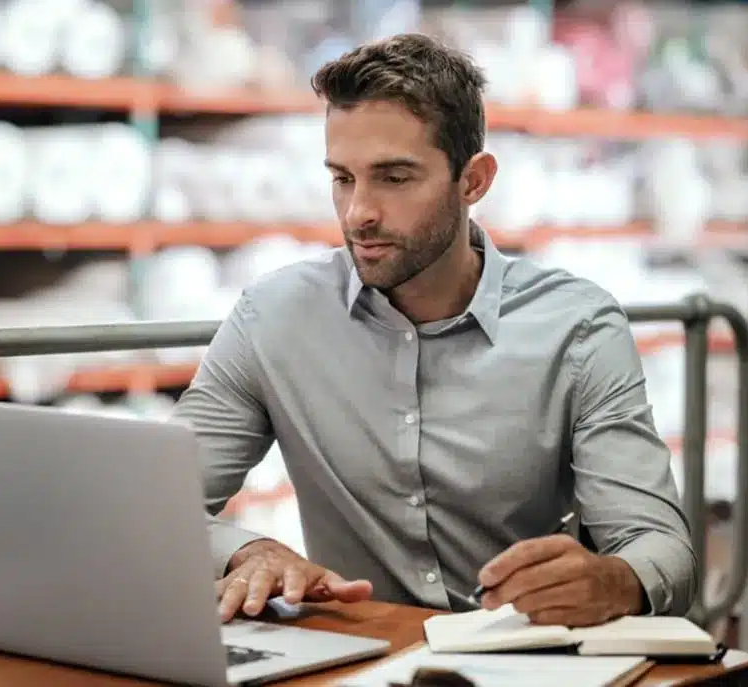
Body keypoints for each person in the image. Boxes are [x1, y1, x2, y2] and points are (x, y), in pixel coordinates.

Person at [168, 33, 697, 628]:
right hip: (358, 657)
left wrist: (616, 580)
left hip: (526, 662)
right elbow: (157, 504)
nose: (357, 212)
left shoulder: (576, 330)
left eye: (394, 178)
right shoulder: (273, 318)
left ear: (473, 181)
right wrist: (246, 550)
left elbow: (662, 549)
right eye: (342, 177)